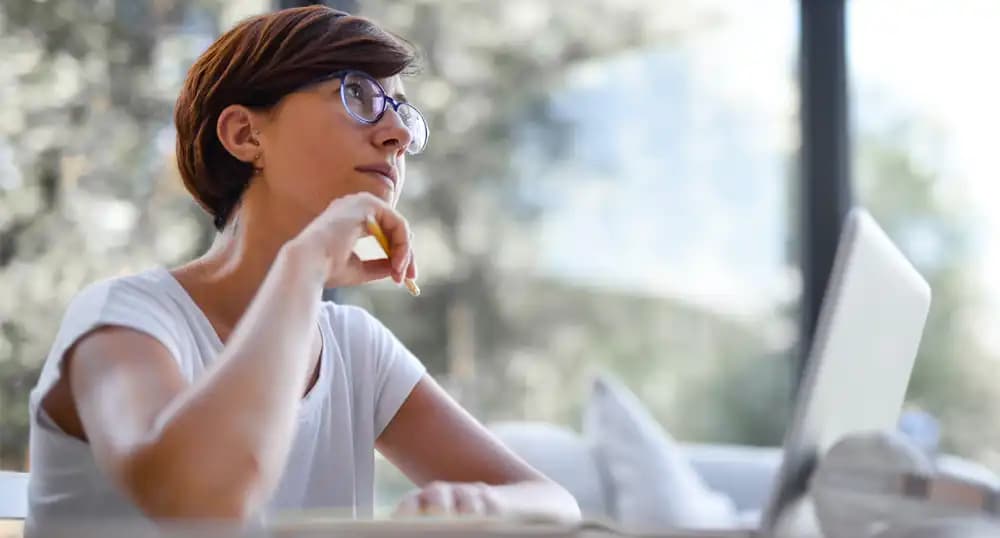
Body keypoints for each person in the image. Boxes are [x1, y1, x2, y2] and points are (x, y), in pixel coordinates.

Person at [25, 5, 579, 533]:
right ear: (246, 135)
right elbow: (202, 505)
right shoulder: (125, 320)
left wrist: (476, 503)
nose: (400, 135)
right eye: (358, 94)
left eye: (403, 112)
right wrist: (305, 263)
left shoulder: (357, 349)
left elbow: (555, 504)